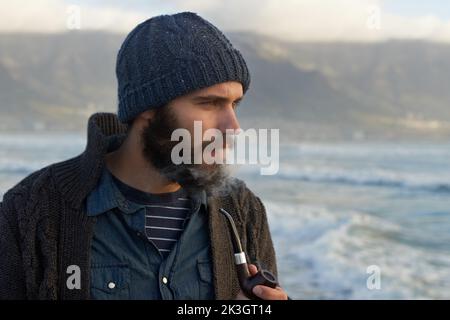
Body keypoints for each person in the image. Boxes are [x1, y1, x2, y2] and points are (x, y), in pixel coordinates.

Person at [0, 11, 288, 300]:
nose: (233, 128)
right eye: (210, 103)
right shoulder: (31, 210)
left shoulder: (242, 210)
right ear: (147, 109)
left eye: (234, 104)